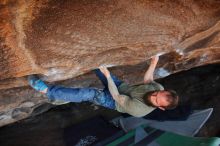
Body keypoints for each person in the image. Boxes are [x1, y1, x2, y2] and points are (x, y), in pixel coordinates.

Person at [28, 56, 179, 117]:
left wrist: (107, 76)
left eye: (156, 99)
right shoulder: (158, 88)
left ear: (160, 107)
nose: (154, 94)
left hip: (114, 101)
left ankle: (48, 91)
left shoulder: (139, 110)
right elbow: (148, 81)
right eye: (157, 93)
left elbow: (116, 96)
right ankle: (83, 56)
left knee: (89, 94)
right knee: (99, 66)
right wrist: (153, 63)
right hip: (123, 88)